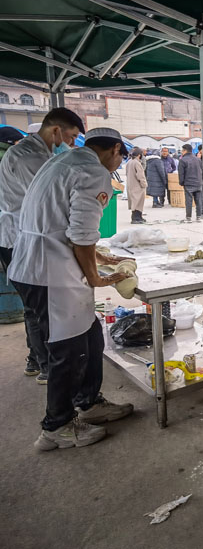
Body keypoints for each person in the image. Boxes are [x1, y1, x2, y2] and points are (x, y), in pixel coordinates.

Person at [9, 128, 135, 450]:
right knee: (68, 350)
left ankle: (89, 402)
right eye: (121, 157)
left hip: (35, 263)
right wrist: (95, 276)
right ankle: (57, 427)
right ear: (116, 149)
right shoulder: (93, 171)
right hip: (49, 272)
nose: (117, 164)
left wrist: (99, 254)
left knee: (91, 335)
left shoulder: (63, 160)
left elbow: (61, 221)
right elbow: (81, 233)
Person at [0, 107, 83, 381]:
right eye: (70, 137)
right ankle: (47, 365)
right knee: (38, 305)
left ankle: (37, 359)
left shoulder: (37, 152)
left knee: (35, 304)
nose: (71, 144)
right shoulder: (29, 157)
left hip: (25, 235)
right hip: (19, 238)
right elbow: (49, 201)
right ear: (56, 130)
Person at [178, 144, 203, 222]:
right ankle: (198, 217)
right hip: (198, 183)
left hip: (189, 183)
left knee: (189, 201)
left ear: (185, 150)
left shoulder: (183, 160)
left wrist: (181, 182)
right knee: (198, 201)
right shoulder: (198, 159)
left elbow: (181, 173)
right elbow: (201, 171)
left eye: (182, 150)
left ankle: (188, 218)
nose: (182, 152)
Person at [125, 147, 147, 224]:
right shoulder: (137, 163)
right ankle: (136, 218)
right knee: (138, 202)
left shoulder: (129, 162)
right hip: (138, 185)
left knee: (134, 201)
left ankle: (138, 217)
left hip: (130, 184)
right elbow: (140, 175)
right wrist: (144, 184)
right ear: (139, 155)